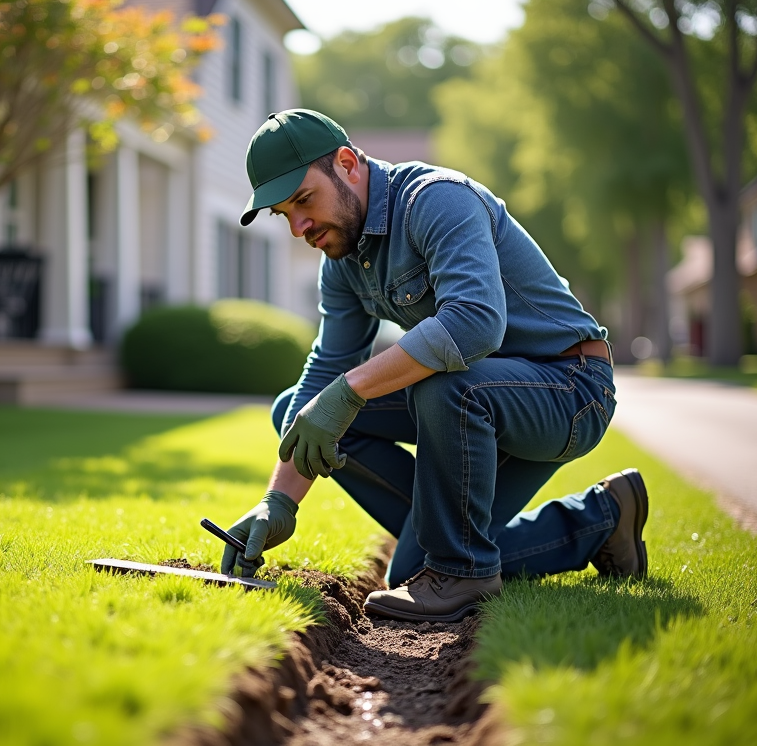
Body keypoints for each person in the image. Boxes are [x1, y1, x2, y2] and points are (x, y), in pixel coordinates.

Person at [218, 109, 650, 623]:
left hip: (568, 390)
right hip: (476, 403)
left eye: (304, 201)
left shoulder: (435, 199)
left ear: (348, 164)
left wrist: (349, 393)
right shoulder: (341, 261)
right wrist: (278, 501)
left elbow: (474, 324)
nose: (299, 228)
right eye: (282, 214)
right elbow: (327, 368)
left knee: (443, 392)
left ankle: (463, 570)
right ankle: (600, 519)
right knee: (298, 409)